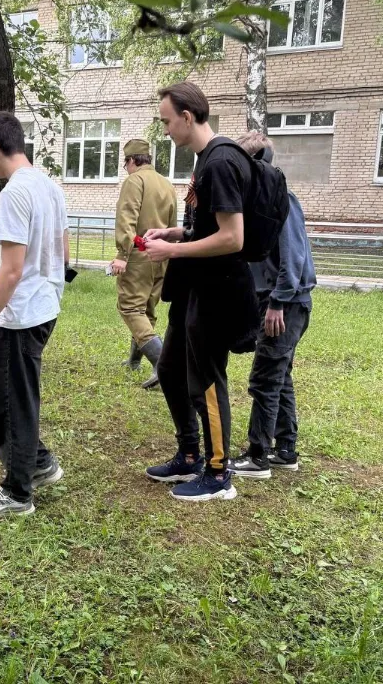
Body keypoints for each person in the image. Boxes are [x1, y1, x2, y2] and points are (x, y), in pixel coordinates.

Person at [142, 82, 259, 502]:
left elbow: (232, 238)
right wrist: (176, 231)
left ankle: (218, 473)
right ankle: (190, 453)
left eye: (167, 121)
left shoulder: (221, 162)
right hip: (194, 288)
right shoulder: (205, 161)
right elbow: (209, 226)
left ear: (187, 118)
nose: (165, 129)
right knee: (172, 370)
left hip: (217, 291)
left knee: (205, 380)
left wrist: (172, 249)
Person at [0, 112, 70, 519]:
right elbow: (63, 249)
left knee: (13, 400)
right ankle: (38, 461)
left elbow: (10, 270)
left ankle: (17, 491)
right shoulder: (48, 186)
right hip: (44, 306)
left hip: (23, 314)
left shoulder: (12, 193)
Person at [228, 131, 316, 478]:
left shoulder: (282, 199)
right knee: (281, 376)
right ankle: (286, 450)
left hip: (285, 305)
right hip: (279, 301)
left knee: (264, 378)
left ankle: (257, 456)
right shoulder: (261, 200)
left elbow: (293, 257)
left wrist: (278, 303)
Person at [110, 139, 178, 389]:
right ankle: (133, 361)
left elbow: (127, 218)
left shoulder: (134, 181)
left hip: (138, 254)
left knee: (130, 308)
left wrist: (122, 254)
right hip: (162, 256)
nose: (126, 169)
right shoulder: (166, 184)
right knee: (147, 309)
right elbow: (172, 226)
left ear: (131, 160)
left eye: (125, 164)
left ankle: (163, 365)